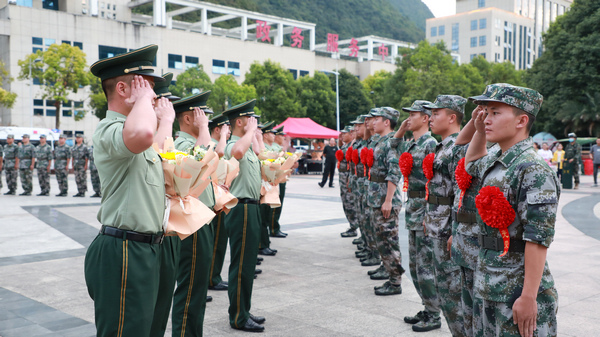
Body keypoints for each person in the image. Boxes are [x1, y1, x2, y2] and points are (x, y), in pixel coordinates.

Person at [84, 44, 177, 337]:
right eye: (148, 88)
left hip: (152, 248)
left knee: (151, 330)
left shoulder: (139, 130)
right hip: (125, 249)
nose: (154, 97)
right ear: (124, 89)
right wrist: (144, 104)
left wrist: (168, 120)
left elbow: (162, 152)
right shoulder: (109, 129)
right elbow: (143, 135)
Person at [465, 84, 559, 337]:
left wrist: (529, 297)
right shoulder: (499, 159)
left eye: (495, 112)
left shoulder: (532, 168)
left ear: (522, 120)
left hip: (516, 288)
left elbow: (538, 238)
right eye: (485, 112)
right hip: (489, 278)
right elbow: (471, 164)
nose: (486, 119)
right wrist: (478, 132)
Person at [393, 100, 442, 331]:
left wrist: (430, 215)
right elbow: (394, 150)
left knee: (425, 267)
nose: (409, 118)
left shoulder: (431, 144)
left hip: (424, 209)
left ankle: (434, 314)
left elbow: (436, 182)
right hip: (413, 207)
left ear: (426, 118)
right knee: (415, 266)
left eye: (413, 115)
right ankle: (426, 306)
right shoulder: (413, 144)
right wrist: (401, 130)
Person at [423, 95, 467, 336]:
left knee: (453, 294)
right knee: (444, 289)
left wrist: (455, 230)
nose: (430, 118)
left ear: (452, 117)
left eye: (436, 113)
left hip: (448, 230)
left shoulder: (458, 148)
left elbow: (461, 192)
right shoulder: (443, 146)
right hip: (437, 225)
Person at [172, 91, 215, 337]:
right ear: (189, 119)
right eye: (202, 117)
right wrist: (205, 131)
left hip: (200, 220)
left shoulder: (190, 144)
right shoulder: (182, 145)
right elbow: (199, 159)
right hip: (192, 225)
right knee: (190, 290)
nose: (205, 122)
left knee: (197, 289)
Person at [223, 99, 265, 332]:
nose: (254, 123)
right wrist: (249, 132)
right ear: (239, 121)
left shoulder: (247, 146)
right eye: (250, 119)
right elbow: (238, 151)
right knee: (240, 266)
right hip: (241, 209)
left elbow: (257, 152)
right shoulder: (233, 144)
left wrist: (254, 135)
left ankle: (244, 310)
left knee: (247, 264)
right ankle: (238, 316)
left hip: (252, 207)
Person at [368, 107, 404, 296]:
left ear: (387, 122)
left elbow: (394, 172)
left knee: (389, 241)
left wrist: (388, 200)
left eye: (377, 119)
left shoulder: (391, 142)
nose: (373, 122)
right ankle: (389, 273)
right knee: (381, 240)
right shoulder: (380, 141)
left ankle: (395, 281)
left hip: (385, 198)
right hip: (376, 196)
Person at [208, 113, 232, 292]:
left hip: (219, 197)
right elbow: (220, 153)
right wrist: (223, 136)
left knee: (219, 241)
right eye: (225, 129)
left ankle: (214, 276)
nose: (228, 132)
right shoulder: (212, 144)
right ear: (217, 129)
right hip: (210, 199)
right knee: (213, 242)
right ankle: (210, 278)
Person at [338, 126, 359, 238]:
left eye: (344, 134)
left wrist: (349, 179)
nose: (342, 136)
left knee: (350, 203)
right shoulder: (345, 146)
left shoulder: (352, 146)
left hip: (347, 176)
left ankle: (354, 226)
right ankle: (352, 225)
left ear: (351, 135)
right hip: (342, 177)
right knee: (345, 202)